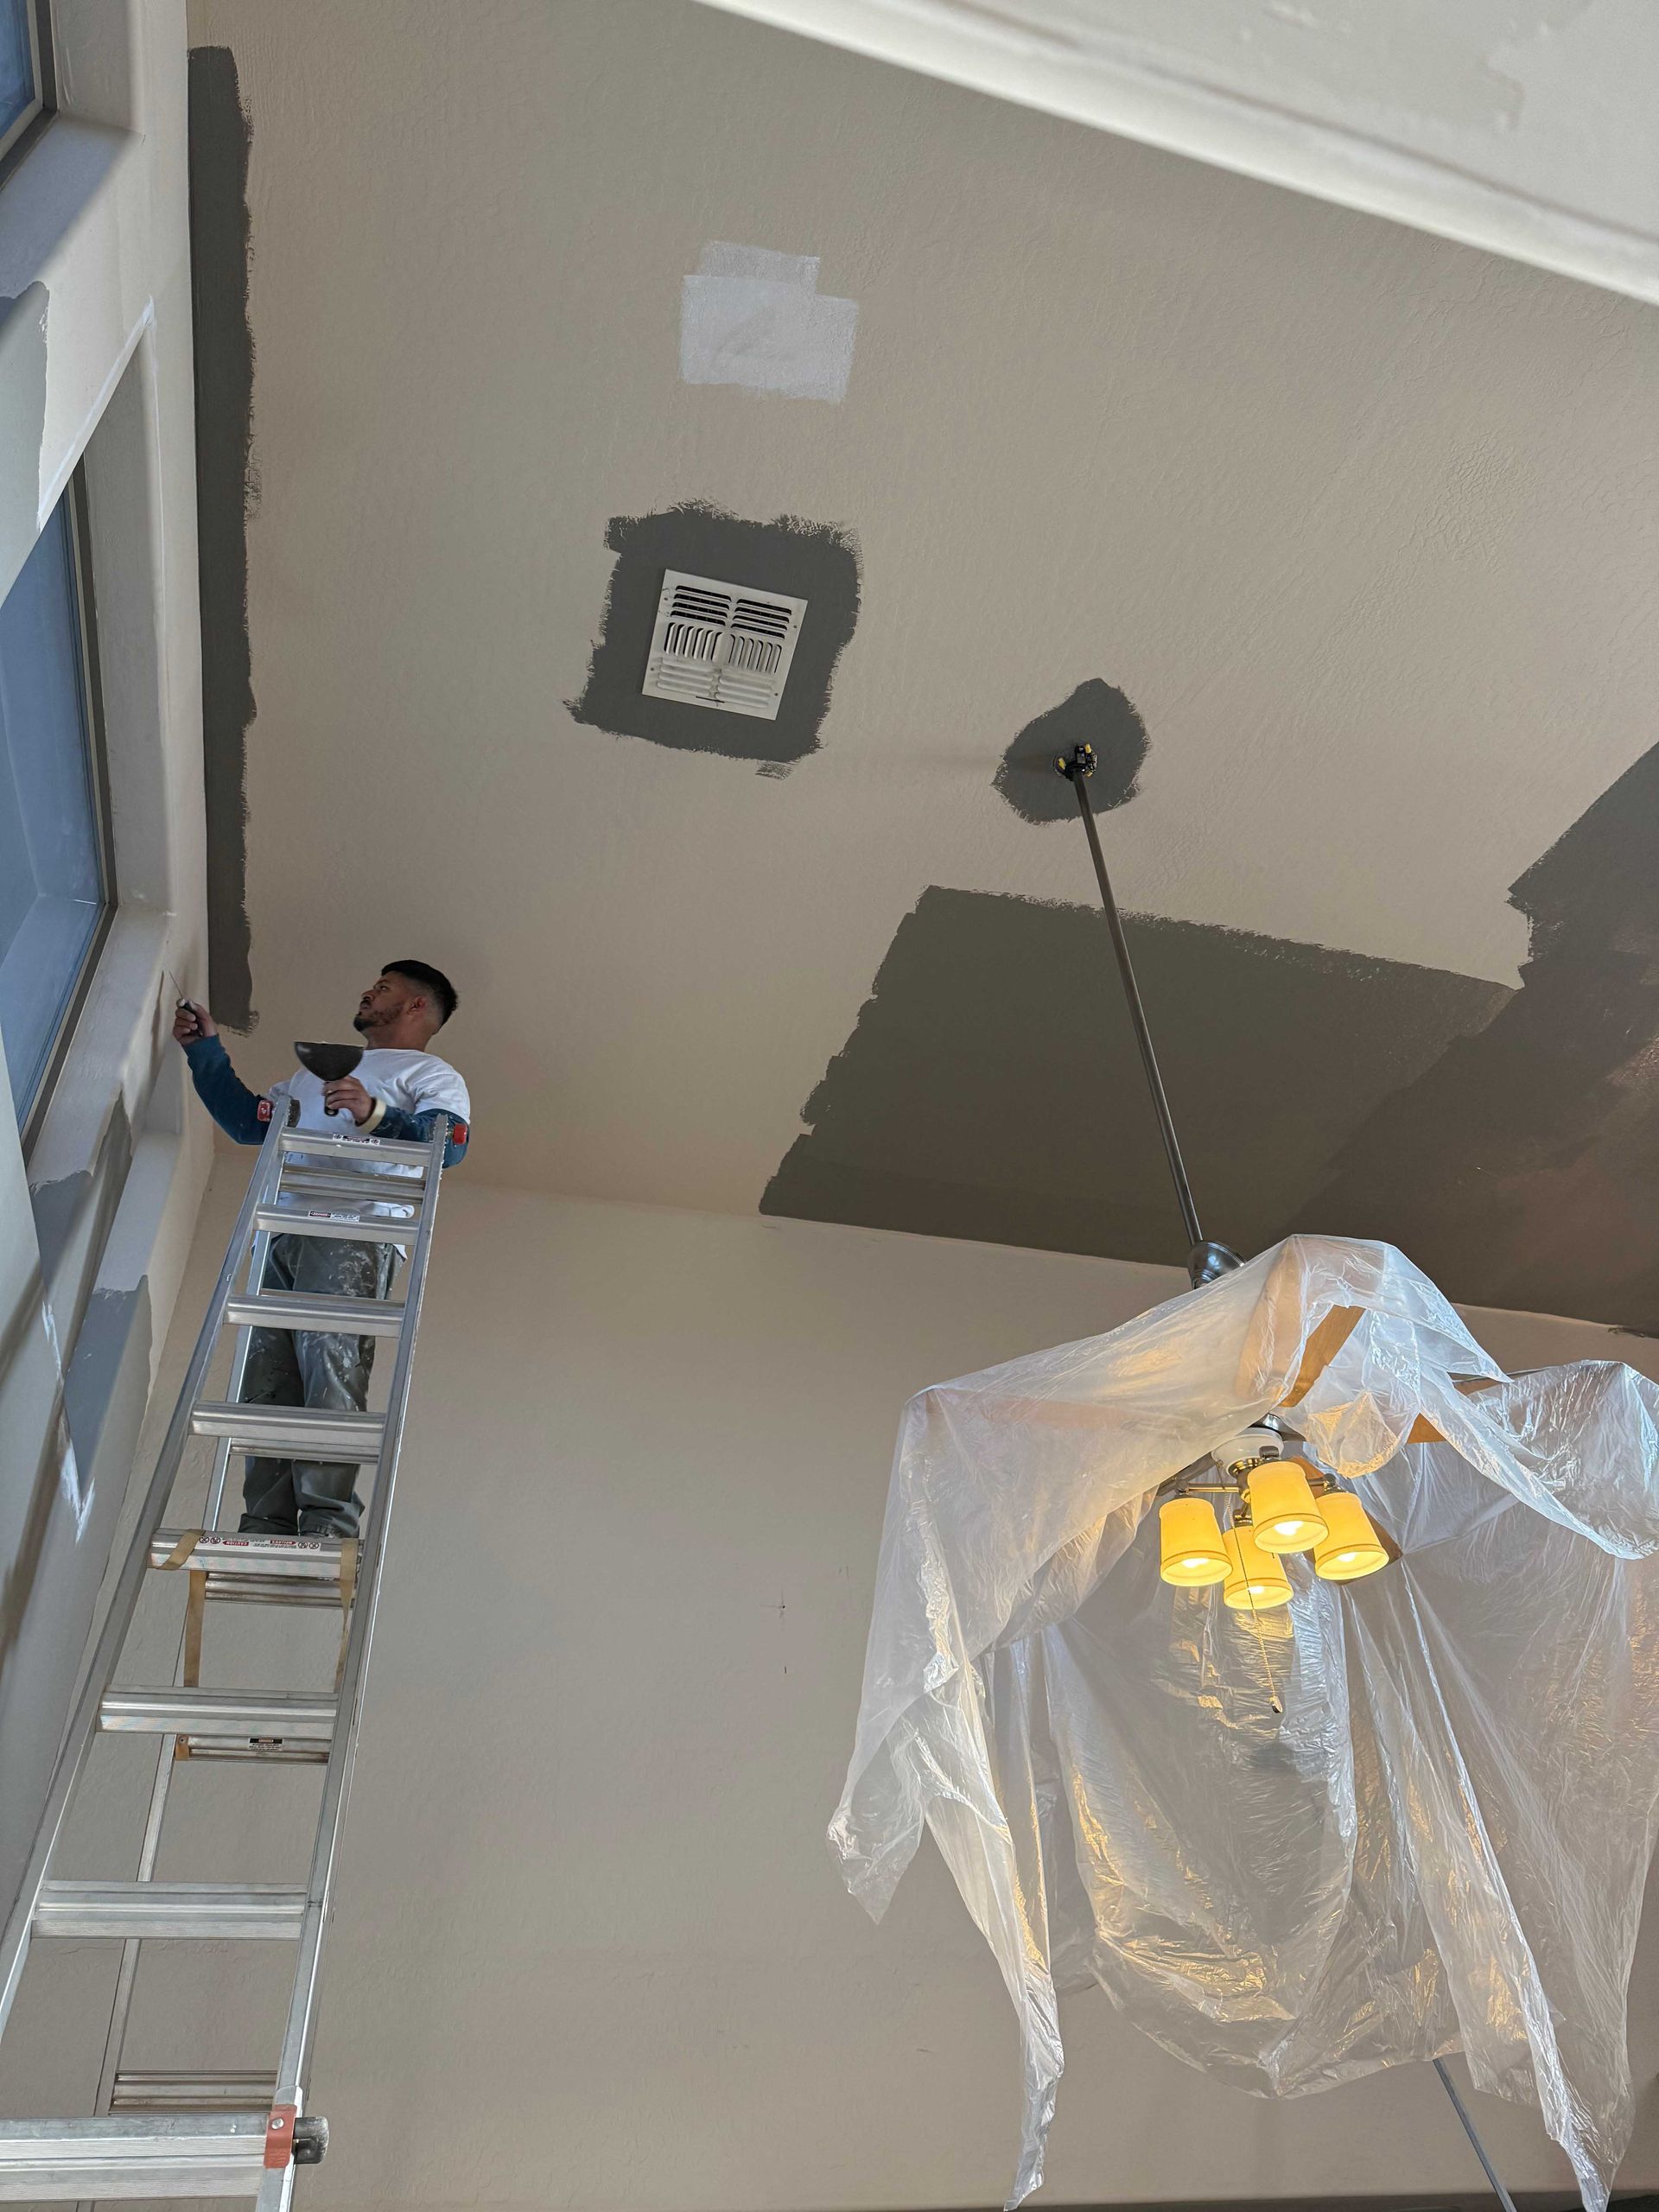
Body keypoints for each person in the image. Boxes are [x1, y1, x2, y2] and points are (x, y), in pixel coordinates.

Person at [174, 961, 470, 1538]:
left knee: (328, 1367)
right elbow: (250, 1123)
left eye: (384, 988)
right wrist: (205, 1053)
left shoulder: (431, 1073)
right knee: (268, 1385)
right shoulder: (309, 1078)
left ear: (416, 1007)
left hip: (355, 1231)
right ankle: (267, 1521)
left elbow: (449, 1144)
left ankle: (328, 1524)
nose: (367, 991)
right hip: (285, 1227)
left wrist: (374, 1112)